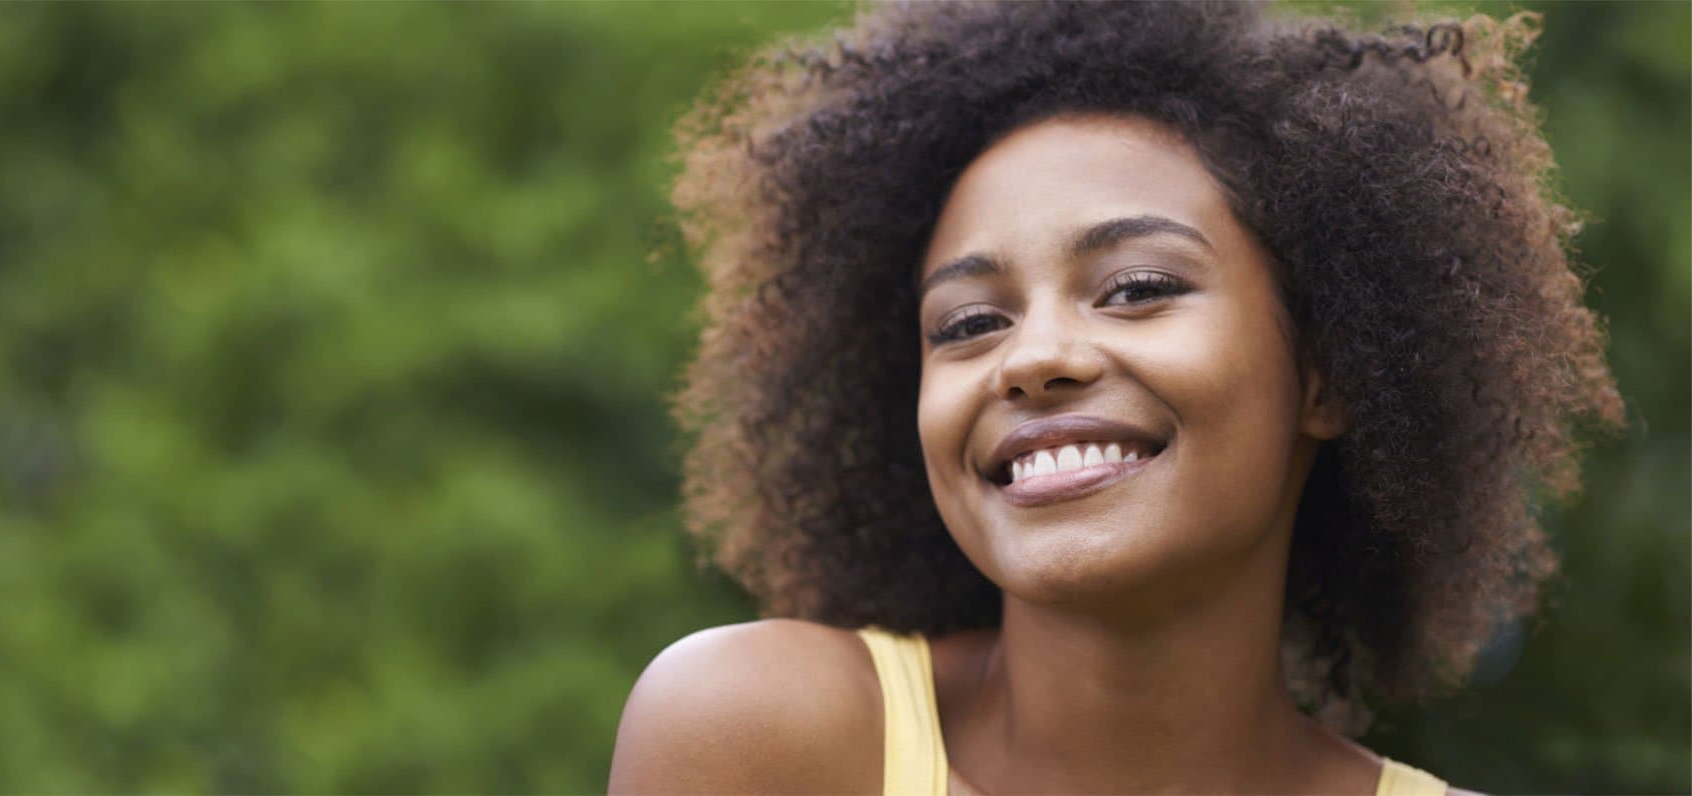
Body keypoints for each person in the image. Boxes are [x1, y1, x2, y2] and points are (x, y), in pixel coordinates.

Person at [609, 2, 1624, 793]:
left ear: (1326, 371)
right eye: (969, 323)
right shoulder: (757, 737)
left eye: (1137, 289)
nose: (1032, 358)